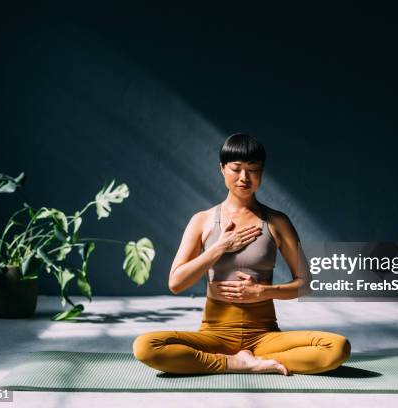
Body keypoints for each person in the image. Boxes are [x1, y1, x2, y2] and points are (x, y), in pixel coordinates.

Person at [132, 133, 351, 375]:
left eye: (253, 169)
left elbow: (306, 284)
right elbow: (176, 283)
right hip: (215, 335)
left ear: (262, 171)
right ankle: (235, 362)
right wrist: (219, 247)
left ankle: (250, 359)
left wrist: (263, 292)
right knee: (146, 347)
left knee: (336, 347)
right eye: (236, 169)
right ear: (222, 169)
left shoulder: (277, 222)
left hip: (264, 337)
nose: (244, 177)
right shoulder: (202, 220)